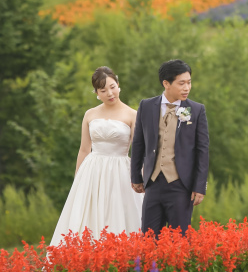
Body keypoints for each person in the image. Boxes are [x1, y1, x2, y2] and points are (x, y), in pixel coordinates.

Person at [50, 66, 143, 245]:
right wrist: (78, 179)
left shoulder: (133, 115)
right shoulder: (90, 114)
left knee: (119, 213)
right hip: (92, 171)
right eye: (103, 90)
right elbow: (84, 149)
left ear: (118, 85)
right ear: (97, 93)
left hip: (120, 171)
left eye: (113, 87)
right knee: (87, 214)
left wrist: (141, 175)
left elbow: (140, 151)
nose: (110, 93)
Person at [130, 58, 209, 236]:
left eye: (189, 82)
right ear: (166, 83)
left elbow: (202, 150)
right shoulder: (147, 106)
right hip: (153, 183)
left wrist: (199, 186)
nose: (187, 88)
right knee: (149, 239)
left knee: (179, 241)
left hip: (181, 186)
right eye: (181, 83)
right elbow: (138, 142)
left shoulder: (196, 110)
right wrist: (136, 176)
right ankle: (150, 266)